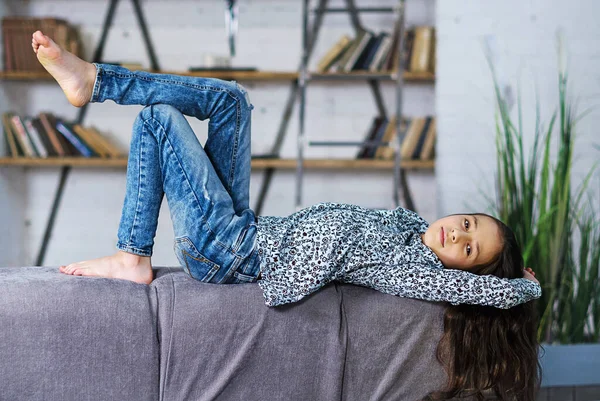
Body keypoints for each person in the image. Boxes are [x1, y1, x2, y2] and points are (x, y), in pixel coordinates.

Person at [32, 30, 541, 400]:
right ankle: (96, 81)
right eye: (468, 224)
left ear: (459, 271)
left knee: (160, 121)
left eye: (468, 250)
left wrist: (522, 286)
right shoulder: (408, 228)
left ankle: (131, 254)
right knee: (232, 100)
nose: (458, 235)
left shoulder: (417, 272)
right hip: (247, 227)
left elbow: (481, 290)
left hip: (229, 252)